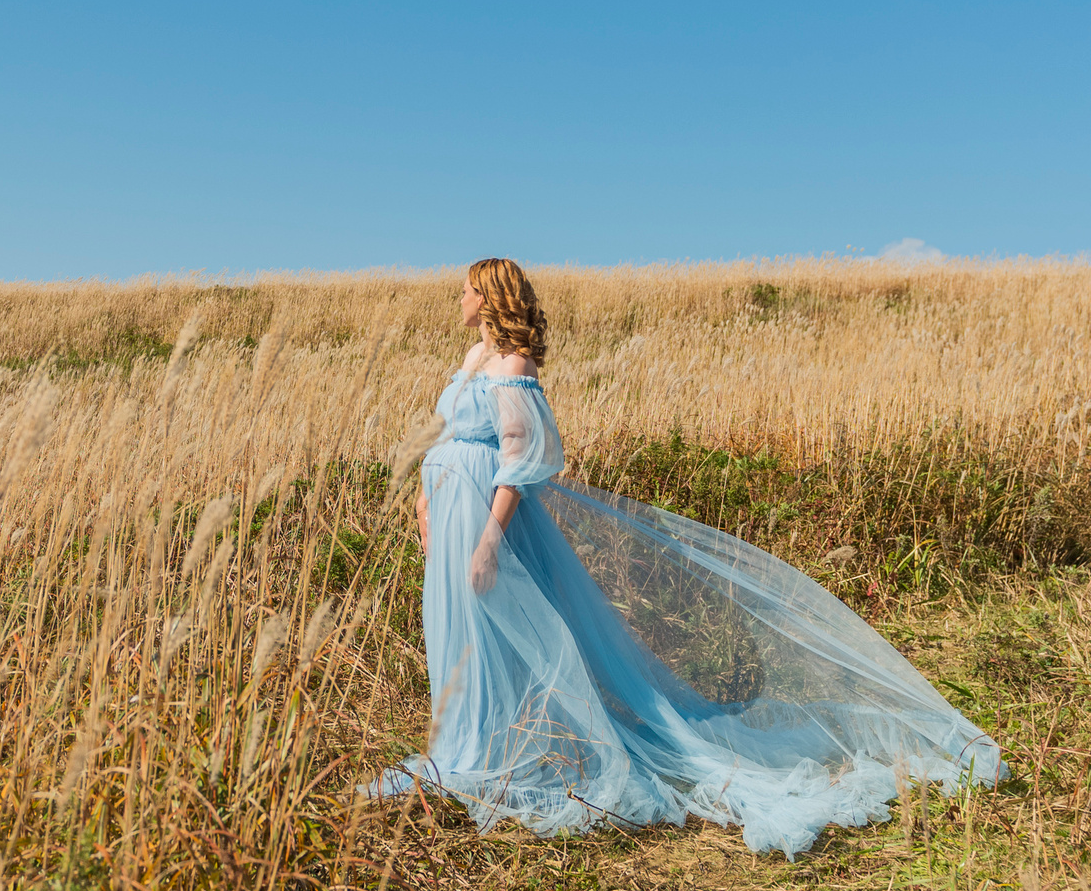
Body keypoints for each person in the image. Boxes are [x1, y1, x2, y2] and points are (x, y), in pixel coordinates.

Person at [365, 258, 1002, 857]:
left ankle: (514, 752)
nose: (459, 298)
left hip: (486, 518)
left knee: (503, 632)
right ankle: (465, 745)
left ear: (491, 297)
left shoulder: (515, 364)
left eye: (468, 289)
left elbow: (520, 461)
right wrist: (425, 501)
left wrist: (487, 542)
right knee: (457, 630)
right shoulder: (473, 357)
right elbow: (447, 435)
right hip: (448, 511)